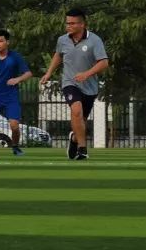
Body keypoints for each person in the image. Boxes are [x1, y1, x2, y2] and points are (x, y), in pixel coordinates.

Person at [39, 8, 110, 161]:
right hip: (69, 82)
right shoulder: (62, 40)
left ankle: (74, 139)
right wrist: (49, 72)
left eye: (72, 23)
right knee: (76, 110)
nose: (68, 26)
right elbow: (58, 55)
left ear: (82, 24)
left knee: (81, 120)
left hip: (90, 87)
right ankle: (82, 150)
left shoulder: (95, 40)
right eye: (67, 23)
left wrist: (86, 74)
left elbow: (104, 63)